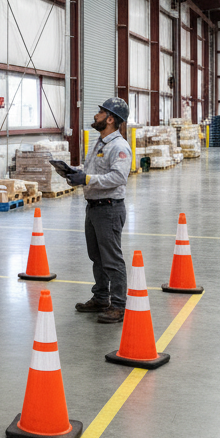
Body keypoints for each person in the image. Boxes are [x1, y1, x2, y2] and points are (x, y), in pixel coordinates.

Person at [64, 97, 131, 324]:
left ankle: (119, 305)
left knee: (111, 259)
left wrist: (88, 178)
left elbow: (119, 177)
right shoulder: (100, 142)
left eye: (101, 112)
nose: (96, 115)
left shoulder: (119, 146)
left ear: (110, 119)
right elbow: (93, 172)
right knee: (97, 257)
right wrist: (75, 174)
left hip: (109, 209)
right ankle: (101, 297)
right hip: (93, 208)